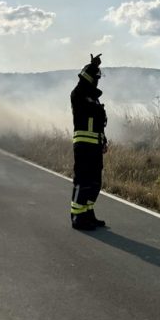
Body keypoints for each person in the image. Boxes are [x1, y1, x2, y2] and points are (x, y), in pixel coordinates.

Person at [70, 54, 108, 230]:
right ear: (89, 78)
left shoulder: (95, 98)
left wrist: (103, 141)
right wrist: (92, 66)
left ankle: (88, 213)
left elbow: (99, 124)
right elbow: (83, 82)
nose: (97, 81)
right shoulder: (78, 94)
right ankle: (78, 217)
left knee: (95, 183)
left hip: (94, 147)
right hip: (84, 146)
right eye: (95, 78)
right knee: (83, 181)